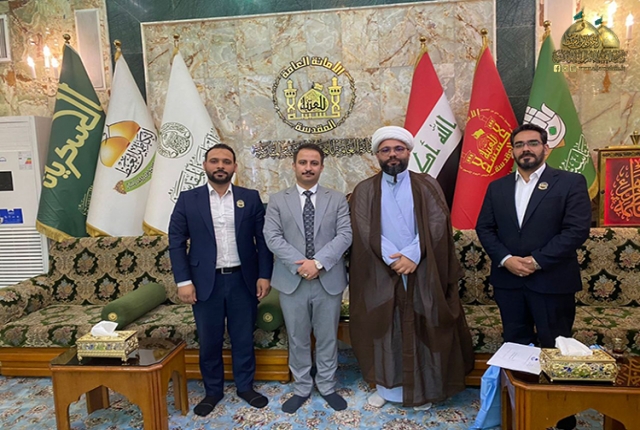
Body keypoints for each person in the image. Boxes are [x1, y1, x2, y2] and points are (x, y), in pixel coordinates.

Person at [475, 123, 592, 430]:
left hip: (553, 281)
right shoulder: (497, 187)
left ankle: (561, 415)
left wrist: (537, 261)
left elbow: (576, 230)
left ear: (545, 148)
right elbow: (485, 227)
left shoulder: (570, 182)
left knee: (555, 346)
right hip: (509, 281)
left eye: (533, 143)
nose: (525, 149)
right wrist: (506, 259)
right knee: (515, 346)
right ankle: (521, 411)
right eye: (519, 144)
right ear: (513, 151)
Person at [349, 126, 474, 409]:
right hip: (382, 270)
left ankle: (423, 390)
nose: (392, 155)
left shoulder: (426, 184)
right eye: (385, 150)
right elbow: (363, 228)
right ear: (377, 155)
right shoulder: (365, 189)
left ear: (408, 152)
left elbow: (437, 224)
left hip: (422, 269)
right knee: (386, 328)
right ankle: (387, 389)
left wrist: (412, 255)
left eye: (398, 149)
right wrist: (393, 259)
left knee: (423, 327)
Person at [168, 143, 273, 416]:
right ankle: (213, 391)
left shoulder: (250, 198)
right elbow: (176, 241)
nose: (220, 166)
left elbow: (262, 240)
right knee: (210, 340)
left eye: (226, 162)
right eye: (214, 161)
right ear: (205, 165)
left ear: (234, 167)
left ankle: (245, 387)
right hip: (205, 282)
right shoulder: (188, 199)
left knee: (243, 337)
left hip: (243, 280)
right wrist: (183, 281)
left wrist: (264, 275)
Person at [263, 142, 352, 414]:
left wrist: (318, 263)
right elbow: (272, 237)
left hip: (328, 279)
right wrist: (302, 266)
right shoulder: (278, 200)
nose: (308, 168)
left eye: (314, 163)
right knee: (298, 337)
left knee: (327, 337)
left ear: (322, 167)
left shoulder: (337, 199)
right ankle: (302, 387)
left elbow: (345, 235)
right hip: (292, 281)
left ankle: (327, 385)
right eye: (303, 162)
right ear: (293, 166)